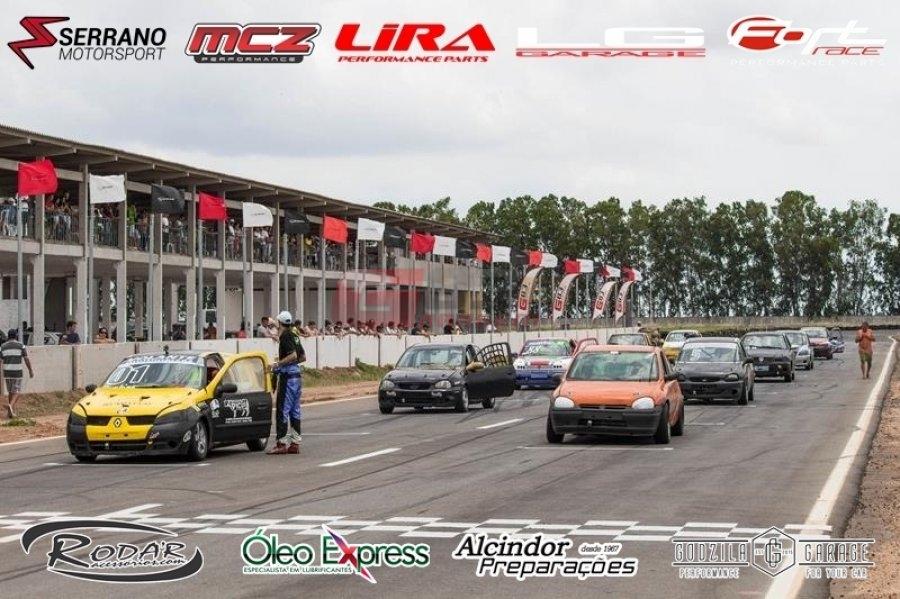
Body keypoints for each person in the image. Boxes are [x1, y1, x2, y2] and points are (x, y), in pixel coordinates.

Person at [267, 311, 305, 455]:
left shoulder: (285, 336)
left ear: (280, 323)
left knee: (282, 410)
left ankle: (281, 443)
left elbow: (293, 355)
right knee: (295, 410)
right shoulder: (294, 335)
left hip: (287, 378)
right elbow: (302, 357)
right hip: (297, 377)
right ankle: (295, 443)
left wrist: (279, 364)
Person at [0, 330, 34, 419]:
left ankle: (10, 413)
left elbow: (0, 360)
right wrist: (30, 370)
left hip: (7, 372)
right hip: (17, 372)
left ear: (8, 336)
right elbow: (26, 359)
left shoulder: (2, 346)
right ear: (16, 336)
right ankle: (10, 406)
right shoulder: (21, 346)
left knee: (11, 392)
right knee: (17, 391)